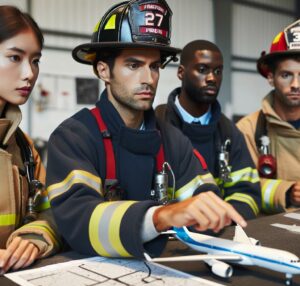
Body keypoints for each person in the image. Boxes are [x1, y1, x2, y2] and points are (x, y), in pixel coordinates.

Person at [46, 0, 246, 259]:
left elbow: (204, 197)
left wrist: (207, 212)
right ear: (103, 70)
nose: (148, 79)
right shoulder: (73, 137)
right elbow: (78, 222)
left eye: (154, 66)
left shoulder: (173, 139)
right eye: (133, 65)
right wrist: (161, 216)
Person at [155, 40, 261, 220]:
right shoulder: (156, 124)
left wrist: (223, 218)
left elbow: (247, 193)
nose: (212, 78)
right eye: (202, 70)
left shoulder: (229, 132)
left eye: (218, 71)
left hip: (220, 234)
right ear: (181, 72)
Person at [0, 5, 61, 273]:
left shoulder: (25, 149)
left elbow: (51, 211)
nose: (29, 74)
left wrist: (35, 236)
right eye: (15, 57)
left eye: (35, 60)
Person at [237, 20, 300, 213]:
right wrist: (287, 193)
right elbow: (241, 188)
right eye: (286, 75)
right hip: (273, 236)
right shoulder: (248, 129)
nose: (296, 84)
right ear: (271, 78)